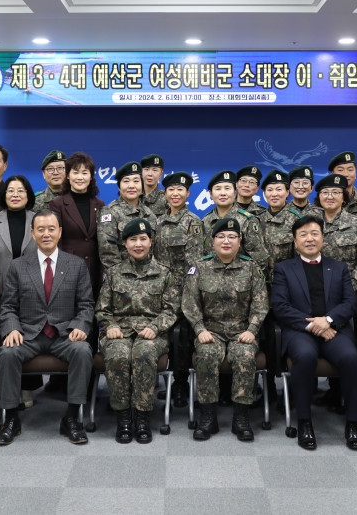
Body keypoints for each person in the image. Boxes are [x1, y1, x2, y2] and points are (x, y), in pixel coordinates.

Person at [0, 210, 94, 446]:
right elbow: (7, 305)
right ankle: (10, 419)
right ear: (32, 233)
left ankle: (72, 417)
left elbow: (86, 304)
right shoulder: (18, 266)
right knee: (6, 353)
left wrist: (80, 326)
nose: (46, 234)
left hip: (64, 334)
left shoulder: (76, 265)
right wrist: (12, 329)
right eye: (40, 229)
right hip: (28, 334)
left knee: (83, 351)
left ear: (60, 232)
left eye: (51, 229)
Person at [273, 216, 357, 451]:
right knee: (304, 357)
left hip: (335, 330)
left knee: (351, 359)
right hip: (300, 331)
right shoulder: (284, 268)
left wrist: (329, 320)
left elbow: (350, 302)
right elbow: (280, 306)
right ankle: (304, 421)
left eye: (314, 233)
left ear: (323, 237)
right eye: (303, 234)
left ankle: (353, 423)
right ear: (295, 241)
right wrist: (315, 325)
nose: (309, 238)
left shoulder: (340, 267)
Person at [183, 217, 268, 442]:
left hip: (242, 331)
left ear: (240, 241)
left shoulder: (251, 268)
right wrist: (199, 329)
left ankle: (241, 417)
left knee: (244, 356)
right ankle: (207, 416)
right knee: (207, 354)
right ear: (212, 241)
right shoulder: (199, 268)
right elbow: (189, 303)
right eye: (221, 236)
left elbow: (261, 303)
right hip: (210, 330)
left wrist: (252, 329)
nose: (226, 241)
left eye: (232, 236)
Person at [96, 218, 180, 443]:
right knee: (118, 355)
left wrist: (155, 327)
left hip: (152, 332)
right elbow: (102, 310)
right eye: (133, 239)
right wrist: (111, 326)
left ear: (151, 241)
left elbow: (172, 310)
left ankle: (142, 416)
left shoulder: (164, 273)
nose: (138, 244)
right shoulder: (113, 273)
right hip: (119, 331)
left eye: (143, 239)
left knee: (143, 354)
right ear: (125, 244)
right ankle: (123, 416)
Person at [315, 174, 357, 413]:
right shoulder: (309, 223)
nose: (330, 197)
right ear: (318, 197)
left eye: (336, 193)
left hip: (348, 298)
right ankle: (330, 391)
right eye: (325, 193)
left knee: (350, 345)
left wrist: (345, 288)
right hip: (314, 297)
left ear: (345, 198)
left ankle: (346, 392)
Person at [0, 175, 39, 406]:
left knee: (29, 335)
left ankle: (26, 387)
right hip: (0, 290)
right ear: (3, 195)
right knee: (1, 337)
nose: (15, 194)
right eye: (10, 190)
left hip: (34, 290)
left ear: (28, 195)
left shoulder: (37, 219)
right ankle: (0, 385)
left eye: (20, 190)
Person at [152, 171, 203, 407]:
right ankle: (165, 381)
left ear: (188, 194)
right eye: (171, 189)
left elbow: (195, 265)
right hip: (158, 290)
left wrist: (187, 294)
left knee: (181, 338)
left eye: (180, 190)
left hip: (183, 291)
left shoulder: (193, 222)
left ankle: (180, 385)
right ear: (165, 193)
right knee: (162, 337)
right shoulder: (157, 222)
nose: (175, 193)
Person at [49, 152, 105, 298]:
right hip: (68, 271)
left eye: (85, 173)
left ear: (91, 177)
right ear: (68, 176)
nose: (80, 177)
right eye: (75, 172)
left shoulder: (99, 204)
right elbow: (56, 240)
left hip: (94, 271)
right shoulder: (58, 204)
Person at [200, 170, 270, 273]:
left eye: (227, 188)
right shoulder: (205, 221)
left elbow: (260, 261)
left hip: (240, 283)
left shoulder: (247, 220)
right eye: (218, 189)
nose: (223, 193)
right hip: (211, 283)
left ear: (235, 192)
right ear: (211, 194)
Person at [98, 161, 158, 274]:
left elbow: (154, 251)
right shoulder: (109, 212)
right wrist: (123, 279)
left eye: (136, 181)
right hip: (120, 280)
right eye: (126, 181)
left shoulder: (150, 215)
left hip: (149, 280)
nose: (131, 186)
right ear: (119, 186)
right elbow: (108, 253)